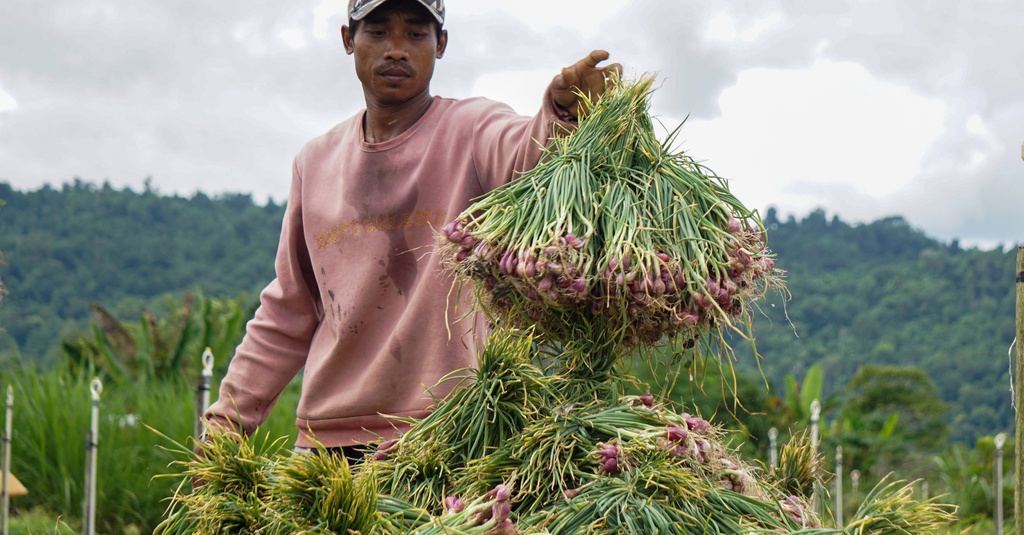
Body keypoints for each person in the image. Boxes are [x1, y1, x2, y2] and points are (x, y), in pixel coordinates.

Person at [201, 0, 621, 460]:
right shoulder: (315, 163)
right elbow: (289, 309)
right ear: (349, 40)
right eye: (378, 32)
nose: (397, 49)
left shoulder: (471, 130)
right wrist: (226, 424)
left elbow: (527, 153)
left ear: (441, 44)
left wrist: (563, 108)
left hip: (446, 438)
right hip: (326, 443)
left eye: (416, 35)